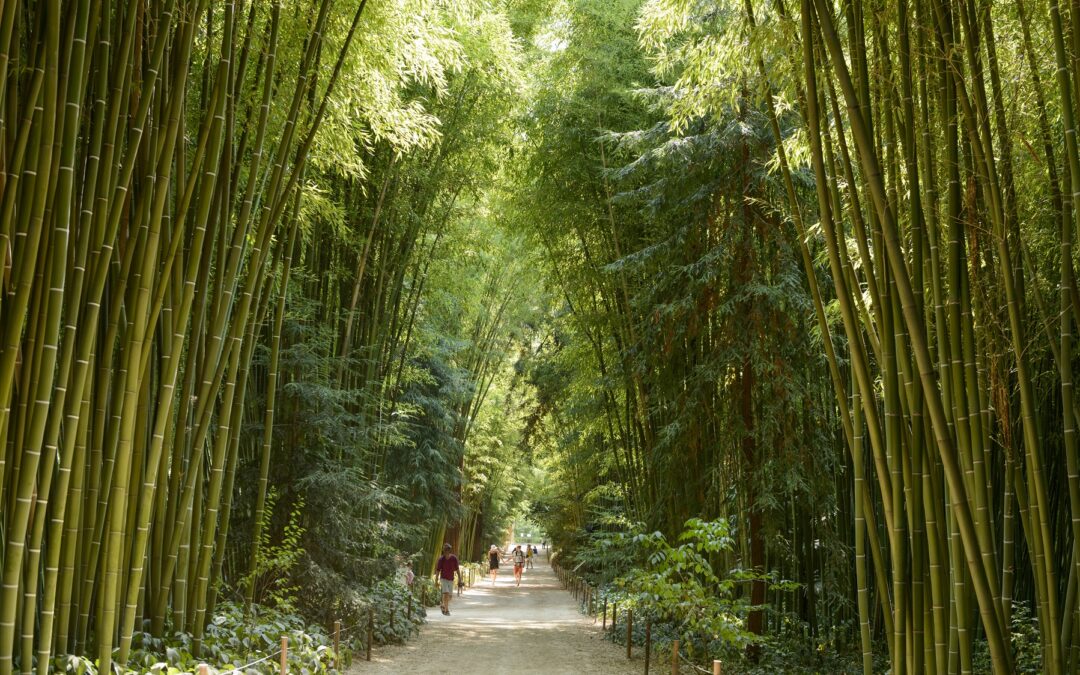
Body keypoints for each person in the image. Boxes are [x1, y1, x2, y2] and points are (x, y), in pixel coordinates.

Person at [435, 543, 461, 616]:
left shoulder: (454, 558)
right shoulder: (441, 559)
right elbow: (438, 570)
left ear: (449, 550)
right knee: (446, 593)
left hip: (451, 579)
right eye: (445, 550)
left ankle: (443, 605)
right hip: (443, 579)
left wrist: (460, 579)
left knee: (450, 596)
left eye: (447, 550)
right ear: (443, 551)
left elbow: (457, 569)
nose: (446, 551)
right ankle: (446, 610)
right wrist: (436, 580)